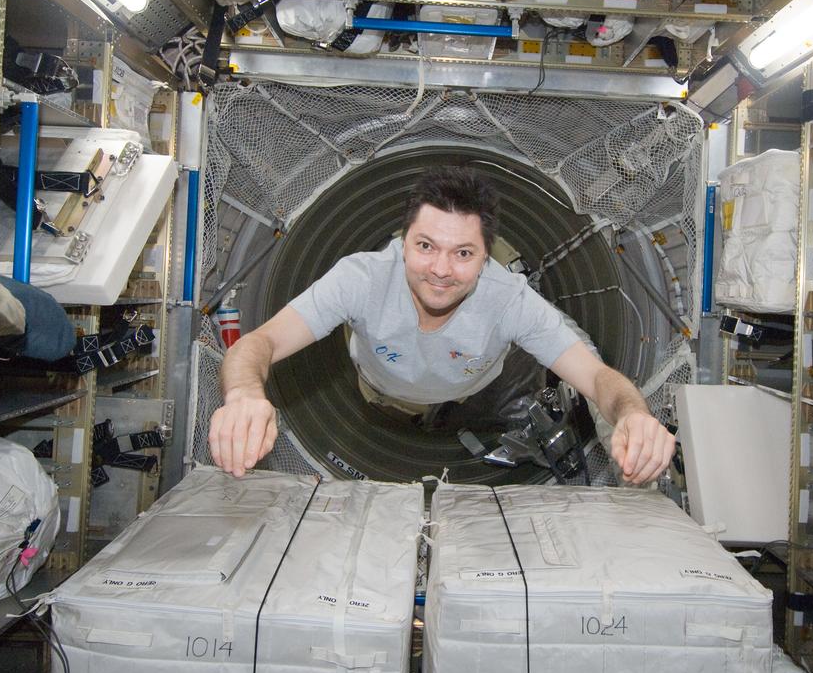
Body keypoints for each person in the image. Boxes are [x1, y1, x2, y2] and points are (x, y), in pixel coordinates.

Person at [210, 166, 676, 484]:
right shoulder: (361, 279)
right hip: (380, 389)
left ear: (487, 257)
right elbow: (258, 344)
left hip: (475, 390)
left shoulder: (509, 299)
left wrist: (633, 415)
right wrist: (245, 395)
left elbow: (597, 378)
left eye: (463, 253)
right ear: (403, 241)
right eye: (426, 246)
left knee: (564, 354)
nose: (440, 270)